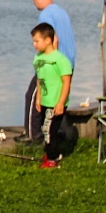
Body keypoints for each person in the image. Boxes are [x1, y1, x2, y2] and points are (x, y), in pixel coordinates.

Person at [18, 0, 76, 143]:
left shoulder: (46, 13)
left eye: (33, 0)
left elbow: (53, 39)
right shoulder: (61, 12)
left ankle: (32, 135)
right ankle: (58, 136)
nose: (34, 4)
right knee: (57, 100)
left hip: (53, 65)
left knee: (33, 96)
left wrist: (48, 62)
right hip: (68, 63)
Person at [30, 23, 73, 169]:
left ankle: (53, 159)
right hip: (45, 101)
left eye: (37, 41)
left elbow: (66, 83)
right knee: (45, 129)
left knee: (49, 131)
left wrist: (61, 103)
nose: (34, 44)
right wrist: (38, 98)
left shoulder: (60, 60)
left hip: (56, 102)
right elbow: (39, 79)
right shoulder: (38, 59)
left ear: (48, 40)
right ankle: (51, 152)